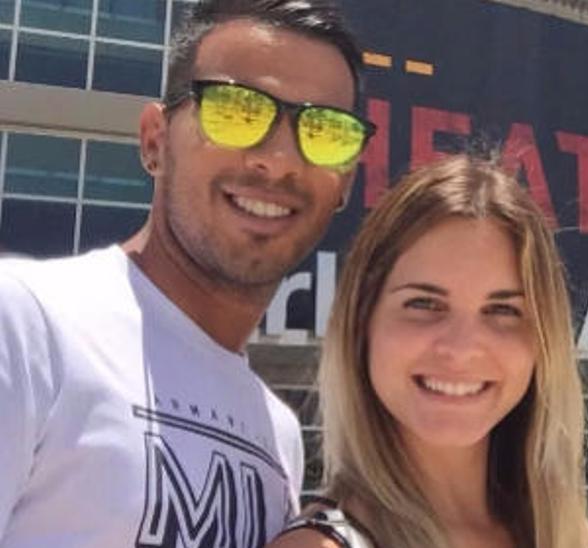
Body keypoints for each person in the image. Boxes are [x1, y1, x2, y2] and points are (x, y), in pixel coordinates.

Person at [0, 0, 374, 545]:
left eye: (325, 132)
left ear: (342, 184)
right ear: (155, 140)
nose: (280, 159)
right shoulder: (25, 325)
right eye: (237, 111)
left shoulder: (280, 436)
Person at [268, 157, 588, 548]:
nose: (461, 349)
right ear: (361, 323)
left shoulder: (565, 535)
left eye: (503, 309)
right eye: (423, 304)